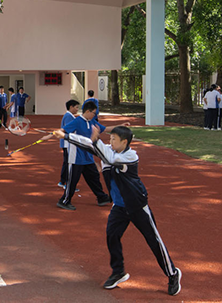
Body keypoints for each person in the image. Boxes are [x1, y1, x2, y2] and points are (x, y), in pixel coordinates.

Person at [53, 124, 181, 296]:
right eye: (110, 138)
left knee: (153, 240)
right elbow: (90, 145)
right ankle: (118, 271)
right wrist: (66, 136)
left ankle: (172, 274)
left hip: (137, 206)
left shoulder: (130, 156)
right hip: (119, 207)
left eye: (114, 139)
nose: (110, 142)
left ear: (125, 142)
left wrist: (95, 140)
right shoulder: (109, 150)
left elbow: (108, 158)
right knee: (112, 236)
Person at [58, 100, 111, 209]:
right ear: (88, 111)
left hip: (88, 157)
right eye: (94, 113)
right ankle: (64, 200)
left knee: (94, 177)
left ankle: (101, 197)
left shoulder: (91, 122)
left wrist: (121, 127)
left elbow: (104, 129)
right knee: (73, 180)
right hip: (76, 157)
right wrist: (52, 135)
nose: (95, 115)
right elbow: (63, 131)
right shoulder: (77, 121)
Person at [58, 99, 81, 189]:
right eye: (76, 107)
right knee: (69, 164)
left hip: (67, 143)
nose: (77, 109)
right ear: (71, 107)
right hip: (68, 144)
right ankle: (68, 183)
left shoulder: (70, 116)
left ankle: (63, 181)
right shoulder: (69, 117)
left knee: (66, 162)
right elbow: (69, 130)